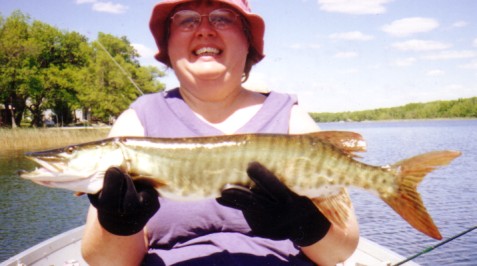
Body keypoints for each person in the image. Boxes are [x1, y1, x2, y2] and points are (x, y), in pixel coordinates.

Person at [81, 0, 360, 265]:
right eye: (186, 20)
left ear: (248, 40)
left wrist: (305, 225)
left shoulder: (290, 117)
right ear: (167, 43)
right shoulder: (136, 123)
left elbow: (337, 253)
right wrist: (119, 225)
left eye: (223, 18)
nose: (204, 29)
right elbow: (109, 263)